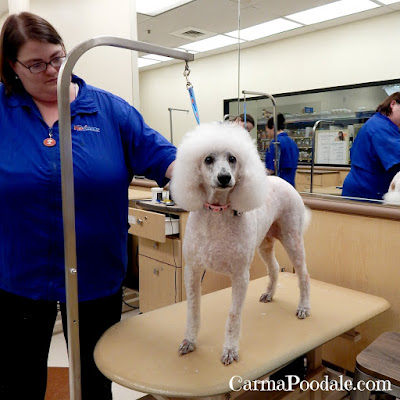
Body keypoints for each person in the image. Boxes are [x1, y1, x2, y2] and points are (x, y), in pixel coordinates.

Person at [0, 12, 176, 400]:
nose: (51, 71)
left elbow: (167, 159)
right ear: (12, 67)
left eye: (58, 58)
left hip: (95, 276)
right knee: (17, 380)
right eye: (36, 64)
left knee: (96, 382)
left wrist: (210, 177)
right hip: (19, 277)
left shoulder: (110, 111)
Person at [342, 92, 400, 201]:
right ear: (393, 104)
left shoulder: (380, 123)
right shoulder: (380, 127)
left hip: (364, 188)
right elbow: (397, 161)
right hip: (365, 193)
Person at [264, 113, 299, 187]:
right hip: (291, 186)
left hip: (278, 186)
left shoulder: (275, 143)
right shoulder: (292, 143)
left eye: (267, 131)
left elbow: (271, 170)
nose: (268, 134)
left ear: (273, 127)